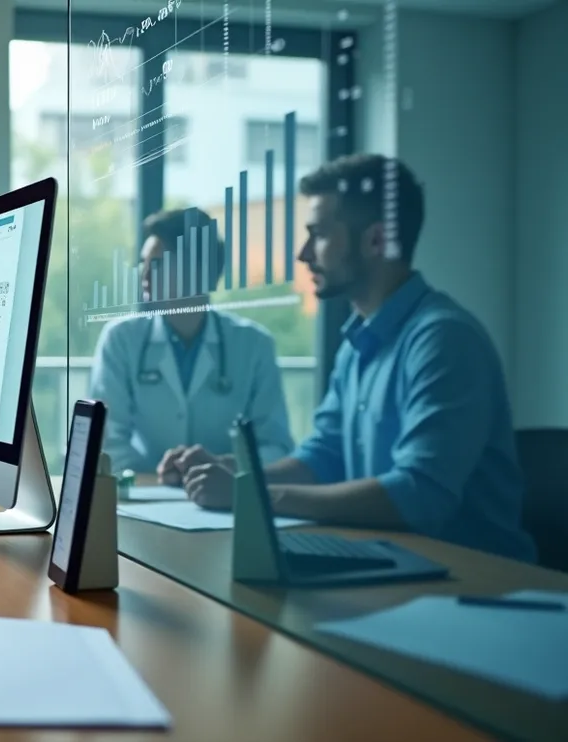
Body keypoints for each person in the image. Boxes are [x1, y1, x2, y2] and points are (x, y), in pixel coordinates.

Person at [165, 154, 536, 563]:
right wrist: (226, 470)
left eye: (319, 234)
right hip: (389, 563)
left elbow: (419, 495)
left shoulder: (444, 340)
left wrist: (251, 495)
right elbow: (322, 458)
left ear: (376, 240)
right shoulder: (358, 341)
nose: (304, 253)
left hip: (474, 584)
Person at [89, 206, 294, 477]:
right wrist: (158, 481)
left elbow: (275, 446)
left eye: (157, 264)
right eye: (144, 263)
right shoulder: (121, 340)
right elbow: (107, 443)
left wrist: (221, 468)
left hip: (226, 501)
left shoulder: (254, 345)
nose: (144, 275)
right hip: (145, 495)